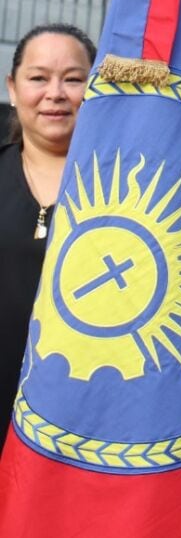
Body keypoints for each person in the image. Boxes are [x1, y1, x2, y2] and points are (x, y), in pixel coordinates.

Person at [0, 23, 96, 452]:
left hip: (76, 420)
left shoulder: (123, 191)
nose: (55, 93)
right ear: (13, 87)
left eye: (73, 79)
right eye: (38, 77)